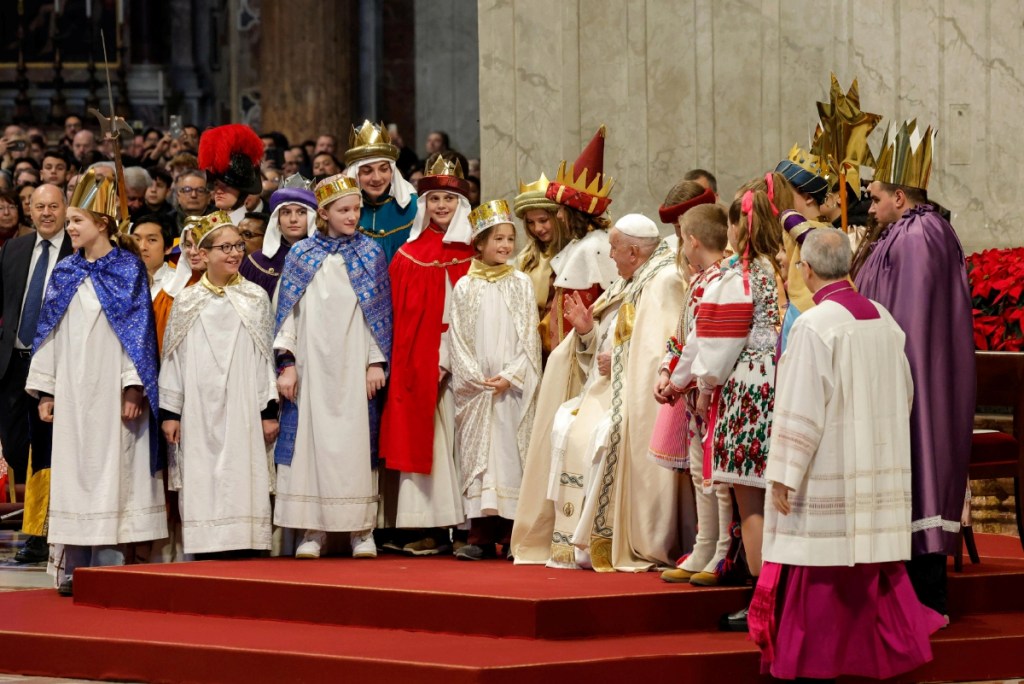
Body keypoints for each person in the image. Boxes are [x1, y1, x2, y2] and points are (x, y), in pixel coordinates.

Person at [750, 228, 946, 681]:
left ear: (808, 270)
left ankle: (818, 663)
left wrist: (784, 474)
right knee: (869, 566)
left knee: (822, 571)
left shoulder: (814, 327)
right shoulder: (883, 318)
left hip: (829, 469)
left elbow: (800, 407)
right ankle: (871, 660)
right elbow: (907, 395)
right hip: (875, 467)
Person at [854, 121, 974, 619]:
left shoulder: (921, 233)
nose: (870, 203)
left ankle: (928, 601)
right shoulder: (900, 231)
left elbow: (915, 320)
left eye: (876, 195)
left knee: (921, 471)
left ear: (901, 196)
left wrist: (894, 377)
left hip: (918, 381)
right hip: (901, 377)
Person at [26, 170, 166, 596]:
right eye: (68, 221)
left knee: (113, 470)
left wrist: (132, 386)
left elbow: (138, 333)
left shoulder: (127, 270)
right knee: (74, 471)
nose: (69, 228)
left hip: (110, 391)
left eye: (76, 221)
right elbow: (48, 332)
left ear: (101, 224)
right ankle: (72, 562)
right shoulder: (66, 271)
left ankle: (108, 560)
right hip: (72, 388)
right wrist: (47, 389)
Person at [542, 212, 690, 572]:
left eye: (614, 249)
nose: (609, 256)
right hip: (608, 389)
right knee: (565, 423)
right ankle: (578, 538)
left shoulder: (663, 281)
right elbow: (609, 347)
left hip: (640, 402)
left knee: (592, 434)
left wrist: (617, 360)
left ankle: (602, 536)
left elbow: (658, 349)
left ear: (634, 253)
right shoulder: (631, 282)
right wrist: (588, 333)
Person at [273, 174, 392, 559]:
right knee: (311, 445)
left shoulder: (371, 253)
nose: (353, 215)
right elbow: (287, 313)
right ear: (322, 213)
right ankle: (314, 530)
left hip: (354, 362)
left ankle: (361, 530)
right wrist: (287, 364)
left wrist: (375, 361)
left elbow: (378, 314)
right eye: (344, 210)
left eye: (356, 208)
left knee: (357, 445)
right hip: (312, 367)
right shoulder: (301, 255)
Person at [159, 212, 278, 557]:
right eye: (224, 247)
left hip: (243, 404)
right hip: (199, 406)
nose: (234, 253)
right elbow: (174, 361)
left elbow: (263, 360)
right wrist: (171, 412)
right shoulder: (188, 300)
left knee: (244, 471)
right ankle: (207, 546)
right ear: (204, 253)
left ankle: (247, 545)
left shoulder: (255, 298)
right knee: (204, 471)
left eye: (239, 245)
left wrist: (267, 410)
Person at [692, 188, 784, 630]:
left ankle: (761, 600)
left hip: (746, 390)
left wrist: (704, 384)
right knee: (775, 499)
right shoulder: (778, 267)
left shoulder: (741, 275)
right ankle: (782, 593)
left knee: (752, 503)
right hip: (778, 381)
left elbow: (719, 339)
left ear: (737, 226)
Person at [379, 156, 476, 555]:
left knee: (465, 443)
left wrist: (452, 356)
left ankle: (471, 529)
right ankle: (430, 528)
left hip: (467, 364)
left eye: (449, 200)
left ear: (462, 206)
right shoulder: (408, 254)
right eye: (434, 198)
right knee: (431, 442)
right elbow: (398, 319)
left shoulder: (476, 251)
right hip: (420, 365)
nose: (440, 206)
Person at [651, 197, 742, 588]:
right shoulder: (703, 279)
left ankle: (721, 549)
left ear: (690, 240)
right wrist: (666, 371)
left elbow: (702, 342)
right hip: (694, 395)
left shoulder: (722, 280)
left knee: (715, 477)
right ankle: (704, 545)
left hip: (713, 392)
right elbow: (682, 334)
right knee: (697, 472)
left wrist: (677, 381)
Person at [450, 200, 541, 560]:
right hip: (478, 390)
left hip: (511, 387)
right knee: (482, 458)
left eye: (509, 239)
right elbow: (457, 338)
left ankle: (513, 535)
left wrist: (510, 375)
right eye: (497, 239)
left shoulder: (520, 283)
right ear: (479, 243)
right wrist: (475, 379)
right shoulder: (464, 287)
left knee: (510, 455)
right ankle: (481, 536)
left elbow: (530, 338)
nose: (505, 246)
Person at [0, 184, 74, 564]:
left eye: (53, 206)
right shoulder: (14, 249)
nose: (46, 212)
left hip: (58, 365)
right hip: (13, 363)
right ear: (29, 210)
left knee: (46, 452)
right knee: (16, 447)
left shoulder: (76, 250)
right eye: (39, 206)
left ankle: (42, 533)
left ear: (65, 209)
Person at [342, 120, 419, 263]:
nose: (376, 178)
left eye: (384, 169)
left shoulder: (414, 206)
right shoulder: (340, 209)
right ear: (356, 174)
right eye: (367, 171)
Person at [512, 173, 571, 357]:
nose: (537, 229)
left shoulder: (573, 253)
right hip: (528, 344)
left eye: (543, 220)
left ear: (558, 217)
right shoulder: (525, 259)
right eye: (530, 222)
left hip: (562, 344)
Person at [240, 176, 316, 299]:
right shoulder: (256, 262)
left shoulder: (325, 260)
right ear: (277, 219)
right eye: (286, 212)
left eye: (301, 212)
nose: (293, 219)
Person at [198, 124, 265, 225]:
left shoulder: (256, 228)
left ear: (242, 190)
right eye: (216, 184)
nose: (219, 191)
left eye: (227, 186)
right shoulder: (202, 225)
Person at [130, 213, 176, 299]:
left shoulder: (177, 283)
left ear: (168, 248)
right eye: (137, 239)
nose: (142, 247)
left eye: (151, 240)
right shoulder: (120, 279)